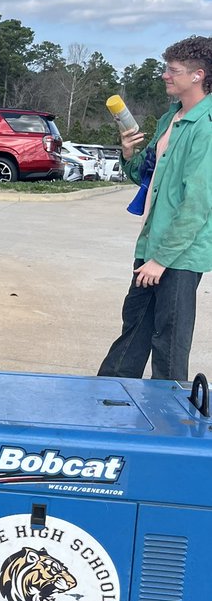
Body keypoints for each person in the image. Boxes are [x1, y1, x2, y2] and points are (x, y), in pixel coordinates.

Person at [98, 36, 212, 382]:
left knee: (169, 345)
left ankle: (169, 414)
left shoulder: (206, 127)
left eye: (173, 70)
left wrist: (162, 260)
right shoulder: (170, 119)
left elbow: (198, 203)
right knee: (133, 330)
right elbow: (144, 177)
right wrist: (128, 152)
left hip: (179, 254)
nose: (165, 75)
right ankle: (107, 399)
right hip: (152, 245)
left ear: (197, 75)